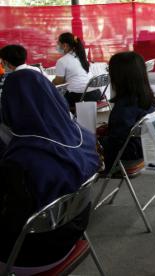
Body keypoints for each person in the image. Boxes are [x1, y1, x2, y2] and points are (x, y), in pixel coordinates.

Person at [0, 69, 99, 275]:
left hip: (28, 256)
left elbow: (12, 220)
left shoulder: (21, 159)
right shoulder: (85, 137)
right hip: (72, 235)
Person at [100, 52, 155, 171]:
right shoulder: (146, 97)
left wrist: (98, 140)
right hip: (148, 147)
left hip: (127, 156)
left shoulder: (124, 107)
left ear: (119, 77)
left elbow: (115, 144)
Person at [52, 32, 97, 109]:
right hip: (95, 94)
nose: (57, 46)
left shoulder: (62, 61)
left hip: (79, 97)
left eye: (58, 44)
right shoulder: (82, 57)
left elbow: (59, 83)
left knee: (53, 96)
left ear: (65, 45)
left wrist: (50, 82)